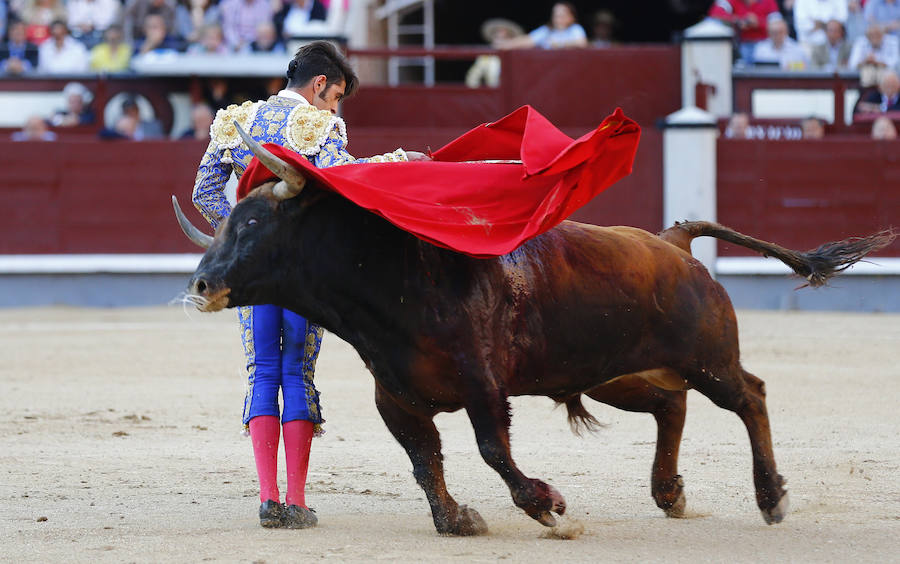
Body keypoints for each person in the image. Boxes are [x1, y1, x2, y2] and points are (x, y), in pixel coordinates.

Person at [191, 40, 429, 529]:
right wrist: (402, 159)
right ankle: (295, 503)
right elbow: (347, 180)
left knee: (262, 370)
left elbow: (204, 191)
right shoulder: (320, 125)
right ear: (320, 85)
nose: (336, 107)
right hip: (302, 274)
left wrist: (243, 240)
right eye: (337, 95)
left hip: (254, 277)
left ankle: (267, 497)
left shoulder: (236, 120)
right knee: (296, 372)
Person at [708, 0, 778, 65]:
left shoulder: (768, 1)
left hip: (764, 44)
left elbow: (778, 25)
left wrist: (758, 22)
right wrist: (737, 20)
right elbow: (715, 13)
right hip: (741, 44)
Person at [494, 2, 587, 50]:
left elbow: (581, 43)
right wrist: (505, 44)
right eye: (556, 15)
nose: (559, 18)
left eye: (563, 15)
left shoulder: (575, 29)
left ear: (571, 17)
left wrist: (559, 44)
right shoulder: (546, 31)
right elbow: (528, 40)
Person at [465, 18, 523, 88]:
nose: (500, 41)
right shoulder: (486, 57)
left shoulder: (518, 56)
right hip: (494, 94)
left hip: (516, 94)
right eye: (497, 37)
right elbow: (473, 77)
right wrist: (478, 94)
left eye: (504, 38)